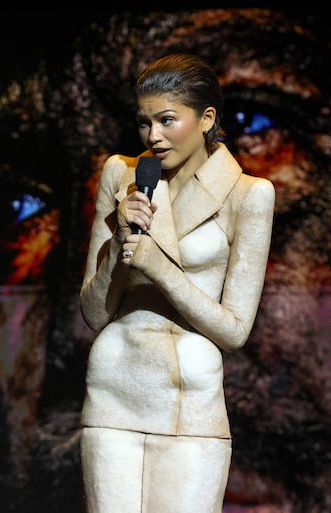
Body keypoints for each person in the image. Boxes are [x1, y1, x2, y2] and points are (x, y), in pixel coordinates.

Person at [78, 53, 275, 513]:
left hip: (191, 401)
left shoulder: (249, 195)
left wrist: (160, 268)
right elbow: (93, 313)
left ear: (207, 118)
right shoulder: (122, 174)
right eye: (145, 123)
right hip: (114, 391)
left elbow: (234, 330)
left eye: (168, 120)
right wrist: (118, 249)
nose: (154, 137)